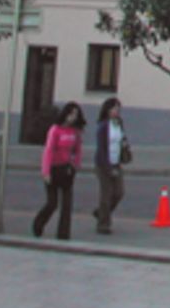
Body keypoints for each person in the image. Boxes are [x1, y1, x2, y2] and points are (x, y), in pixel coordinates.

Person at [33, 101, 85, 239]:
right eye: (71, 114)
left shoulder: (75, 132)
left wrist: (76, 165)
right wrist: (46, 172)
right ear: (65, 114)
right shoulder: (55, 130)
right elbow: (48, 151)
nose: (72, 118)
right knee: (52, 203)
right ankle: (38, 223)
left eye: (75, 115)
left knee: (67, 204)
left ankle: (63, 234)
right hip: (54, 169)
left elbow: (78, 149)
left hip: (67, 170)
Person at [93, 97, 128, 234]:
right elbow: (102, 148)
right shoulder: (103, 126)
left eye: (118, 109)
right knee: (106, 195)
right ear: (107, 110)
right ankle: (103, 224)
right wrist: (108, 168)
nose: (116, 111)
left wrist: (125, 148)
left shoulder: (118, 123)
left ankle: (101, 213)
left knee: (119, 192)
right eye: (114, 108)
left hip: (116, 162)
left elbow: (122, 139)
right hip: (103, 164)